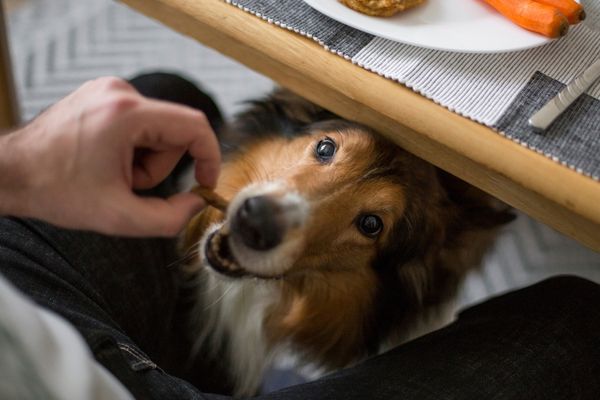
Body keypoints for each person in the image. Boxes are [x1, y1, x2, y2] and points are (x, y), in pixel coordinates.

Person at [0, 73, 599, 400]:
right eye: (325, 149)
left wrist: (17, 167)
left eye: (371, 224)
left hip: (19, 301)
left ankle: (205, 365)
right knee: (578, 320)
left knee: (166, 97)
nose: (276, 211)